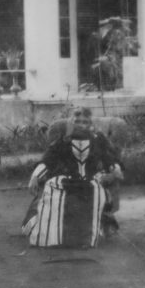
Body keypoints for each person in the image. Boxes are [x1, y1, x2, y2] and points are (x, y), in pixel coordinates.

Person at [21, 106, 123, 248]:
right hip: (67, 181)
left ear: (90, 123)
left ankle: (84, 237)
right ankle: (54, 237)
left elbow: (110, 160)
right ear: (72, 123)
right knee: (53, 192)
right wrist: (35, 176)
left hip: (91, 182)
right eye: (78, 121)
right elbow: (47, 161)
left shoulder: (98, 139)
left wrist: (115, 170)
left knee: (95, 191)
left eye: (85, 122)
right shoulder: (64, 141)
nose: (81, 125)